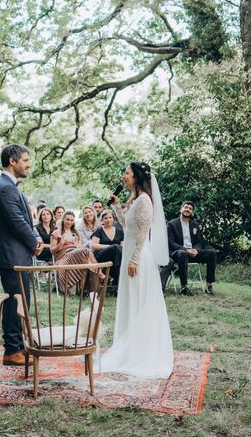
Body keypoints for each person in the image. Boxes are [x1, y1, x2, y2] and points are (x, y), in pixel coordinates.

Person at [99, 161, 173, 378]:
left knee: (138, 300)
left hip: (138, 257)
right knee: (130, 299)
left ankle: (141, 349)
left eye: (127, 173)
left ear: (137, 177)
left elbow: (142, 232)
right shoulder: (133, 199)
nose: (124, 176)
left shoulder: (144, 201)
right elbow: (127, 226)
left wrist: (134, 260)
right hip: (131, 254)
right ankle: (128, 347)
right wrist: (116, 206)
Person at [0, 144, 43, 366]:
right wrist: (34, 243)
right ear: (12, 161)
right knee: (15, 304)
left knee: (21, 302)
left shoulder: (9, 186)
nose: (28, 164)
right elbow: (16, 222)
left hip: (17, 255)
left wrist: (36, 239)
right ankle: (12, 350)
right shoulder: (5, 187)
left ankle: (18, 346)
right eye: (25, 160)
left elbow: (25, 220)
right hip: (12, 256)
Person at [160, 201, 217, 296]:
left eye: (190, 209)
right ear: (181, 209)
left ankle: (209, 285)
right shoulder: (171, 224)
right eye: (186, 207)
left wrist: (196, 250)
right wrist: (186, 250)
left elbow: (199, 242)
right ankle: (183, 287)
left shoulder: (195, 225)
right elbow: (171, 242)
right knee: (183, 253)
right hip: (177, 253)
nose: (188, 209)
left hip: (193, 252)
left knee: (212, 253)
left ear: (192, 212)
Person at [51, 211, 101, 294]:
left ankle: (90, 291)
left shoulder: (76, 232)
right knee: (86, 251)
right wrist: (60, 244)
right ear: (63, 219)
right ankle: (100, 274)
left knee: (86, 254)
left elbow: (79, 247)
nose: (69, 222)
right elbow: (52, 250)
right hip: (63, 257)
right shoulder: (56, 233)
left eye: (71, 220)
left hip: (76, 255)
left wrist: (77, 247)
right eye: (67, 219)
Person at [91, 209, 124, 289]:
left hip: (115, 257)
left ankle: (115, 278)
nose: (108, 220)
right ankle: (116, 276)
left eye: (110, 217)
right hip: (101, 255)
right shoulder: (99, 230)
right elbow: (94, 245)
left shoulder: (120, 231)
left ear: (113, 219)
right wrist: (110, 247)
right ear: (102, 220)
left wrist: (114, 247)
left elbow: (122, 247)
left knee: (117, 249)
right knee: (115, 247)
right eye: (105, 218)